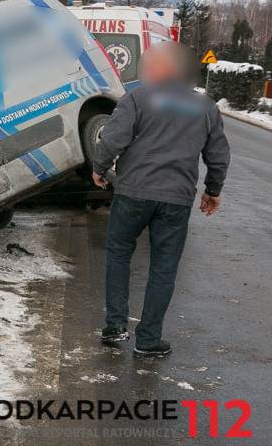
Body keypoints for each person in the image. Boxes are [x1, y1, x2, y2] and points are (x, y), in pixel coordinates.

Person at [93, 42, 230, 357]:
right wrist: (213, 190)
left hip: (132, 193)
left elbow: (112, 139)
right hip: (176, 199)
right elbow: (219, 156)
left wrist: (99, 168)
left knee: (118, 255)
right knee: (164, 268)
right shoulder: (206, 107)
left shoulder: (137, 99)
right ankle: (148, 340)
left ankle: (115, 327)